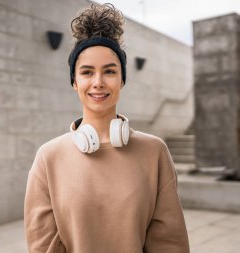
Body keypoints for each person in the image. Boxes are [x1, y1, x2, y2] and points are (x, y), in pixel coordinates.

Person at [24, 3, 190, 253]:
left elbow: (169, 244)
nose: (98, 83)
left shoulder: (154, 152)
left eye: (109, 71)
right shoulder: (48, 158)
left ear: (122, 79)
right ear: (74, 82)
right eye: (87, 72)